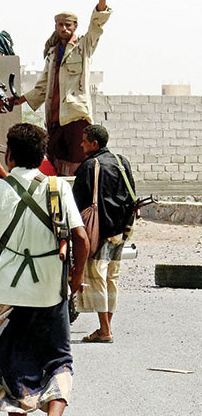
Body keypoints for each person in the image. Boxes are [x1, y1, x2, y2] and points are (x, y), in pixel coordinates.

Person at [0, 123, 89, 415]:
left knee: (13, 374)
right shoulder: (58, 188)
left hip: (8, 296)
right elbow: (81, 239)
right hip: (50, 293)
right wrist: (76, 278)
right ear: (42, 156)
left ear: (10, 156)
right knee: (58, 364)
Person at [6, 0, 111, 176]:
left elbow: (97, 24)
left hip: (75, 116)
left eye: (68, 25)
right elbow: (43, 87)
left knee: (77, 164)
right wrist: (19, 100)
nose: (64, 28)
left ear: (75, 26)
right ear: (55, 26)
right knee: (55, 162)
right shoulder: (52, 53)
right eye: (60, 25)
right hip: (55, 119)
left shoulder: (83, 46)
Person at [72, 125, 135, 343]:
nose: (81, 144)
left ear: (94, 144)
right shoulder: (121, 161)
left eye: (84, 140)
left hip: (99, 230)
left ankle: (105, 330)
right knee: (111, 278)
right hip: (121, 229)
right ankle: (105, 326)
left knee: (97, 277)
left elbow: (77, 201)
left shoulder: (89, 166)